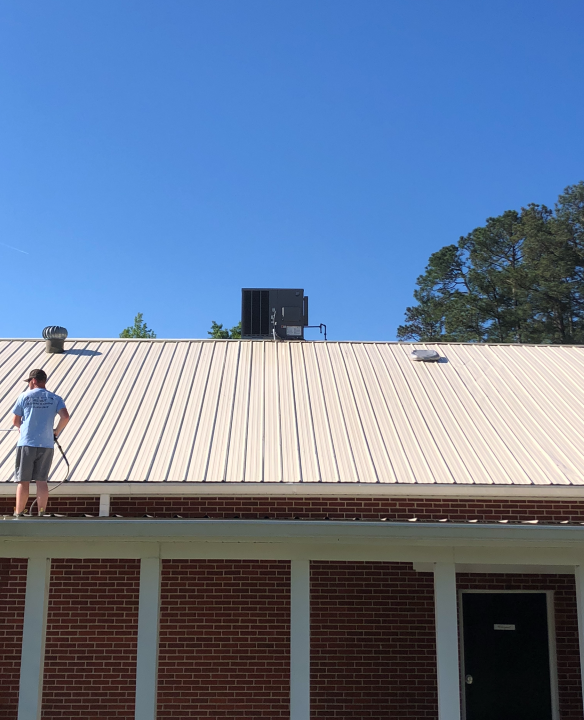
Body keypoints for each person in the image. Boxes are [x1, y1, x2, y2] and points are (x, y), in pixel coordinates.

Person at [12, 368, 69, 517]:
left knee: (23, 481)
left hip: (27, 443)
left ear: (34, 380)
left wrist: (21, 428)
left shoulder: (24, 396)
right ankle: (41, 513)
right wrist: (56, 431)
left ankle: (19, 513)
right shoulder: (55, 398)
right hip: (46, 444)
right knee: (41, 480)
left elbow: (15, 421)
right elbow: (65, 417)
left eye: (30, 382)